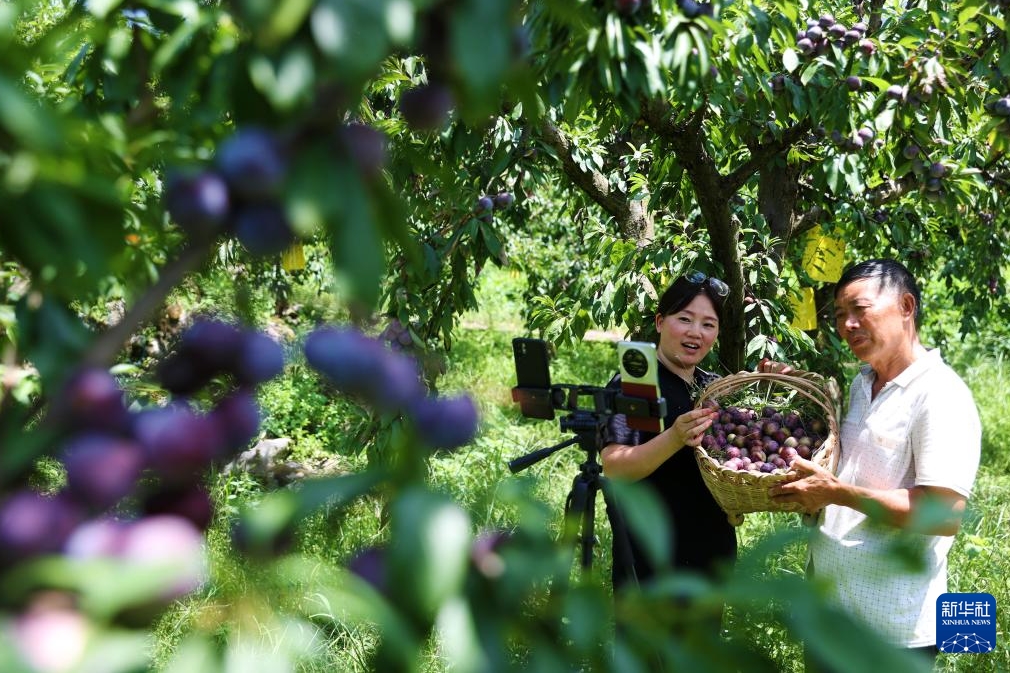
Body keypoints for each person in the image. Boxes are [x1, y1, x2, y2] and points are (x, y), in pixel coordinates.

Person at [766, 258, 981, 659]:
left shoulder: (940, 395)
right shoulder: (862, 383)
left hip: (890, 631)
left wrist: (836, 493)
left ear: (905, 307)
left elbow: (944, 515)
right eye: (840, 315)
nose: (847, 324)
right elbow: (851, 468)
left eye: (859, 310)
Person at [601, 271, 733, 591]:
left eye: (708, 324)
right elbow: (615, 466)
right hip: (652, 560)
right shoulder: (638, 384)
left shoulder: (712, 385)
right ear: (660, 322)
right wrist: (674, 438)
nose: (696, 332)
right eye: (685, 319)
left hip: (710, 555)